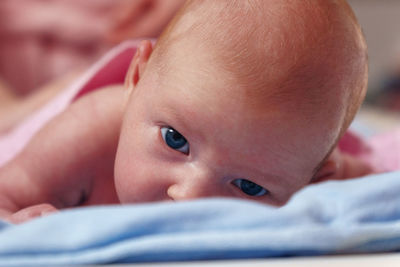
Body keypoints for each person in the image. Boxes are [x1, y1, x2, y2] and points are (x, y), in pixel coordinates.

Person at [0, 0, 373, 224]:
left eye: (249, 187)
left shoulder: (316, 172)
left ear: (313, 180)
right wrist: (22, 222)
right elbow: (7, 196)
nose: (190, 197)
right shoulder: (89, 133)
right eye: (174, 140)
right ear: (137, 76)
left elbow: (375, 186)